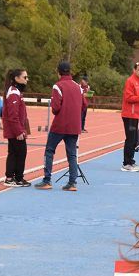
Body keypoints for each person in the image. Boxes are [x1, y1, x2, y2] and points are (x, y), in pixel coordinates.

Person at [37, 61, 84, 191]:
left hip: (60, 125)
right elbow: (84, 104)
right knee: (72, 154)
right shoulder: (78, 86)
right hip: (74, 125)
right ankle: (72, 183)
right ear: (70, 72)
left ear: (58, 72)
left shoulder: (58, 86)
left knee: (49, 150)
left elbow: (56, 108)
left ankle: (47, 180)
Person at [2, 69, 31, 187]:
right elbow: (13, 115)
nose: (27, 79)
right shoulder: (13, 93)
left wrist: (24, 129)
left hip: (17, 129)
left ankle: (10, 177)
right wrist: (19, 131)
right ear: (16, 78)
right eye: (25, 77)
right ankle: (17, 178)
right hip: (15, 130)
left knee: (14, 153)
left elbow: (21, 113)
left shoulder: (17, 92)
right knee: (20, 153)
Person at [121, 62, 139, 172]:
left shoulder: (138, 82)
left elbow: (137, 98)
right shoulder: (130, 81)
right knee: (131, 139)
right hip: (129, 114)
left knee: (134, 139)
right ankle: (126, 163)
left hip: (135, 114)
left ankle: (130, 161)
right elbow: (129, 98)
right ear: (134, 70)